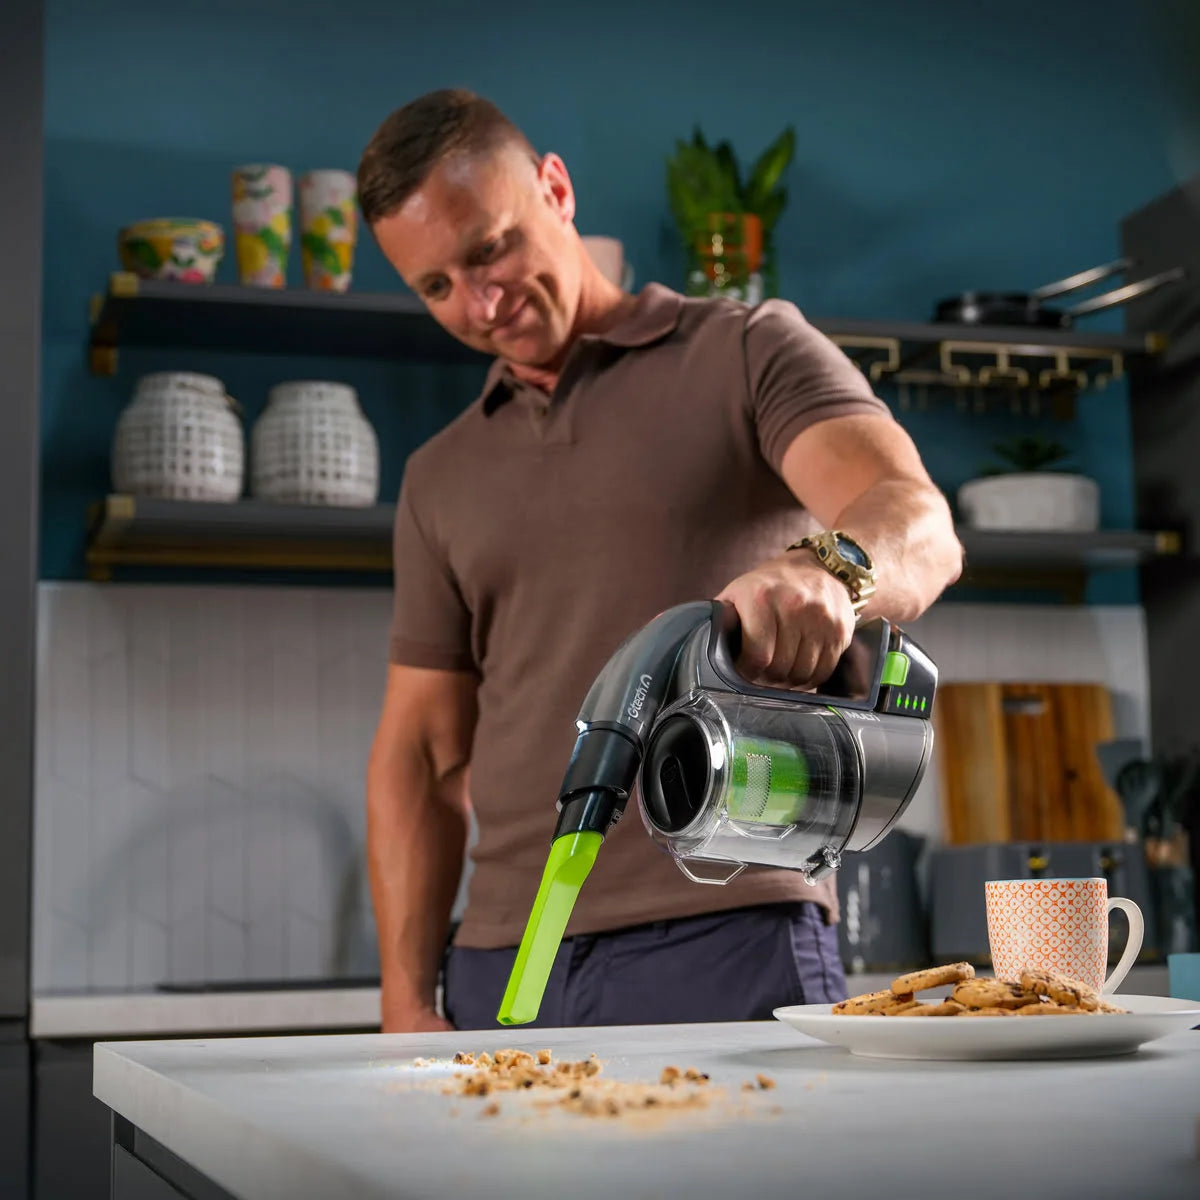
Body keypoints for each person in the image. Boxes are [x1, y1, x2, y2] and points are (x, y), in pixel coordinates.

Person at [357, 89, 963, 1033]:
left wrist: (830, 569)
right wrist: (404, 996)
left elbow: (918, 518)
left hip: (728, 930)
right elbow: (422, 755)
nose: (481, 303)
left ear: (556, 190)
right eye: (436, 287)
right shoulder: (440, 475)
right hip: (503, 958)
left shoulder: (746, 350)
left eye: (490, 250)